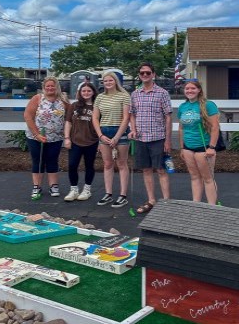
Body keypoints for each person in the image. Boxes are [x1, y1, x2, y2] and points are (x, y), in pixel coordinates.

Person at [129, 62, 172, 214]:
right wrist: (133, 130)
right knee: (146, 170)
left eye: (148, 72)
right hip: (141, 139)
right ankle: (152, 200)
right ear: (139, 76)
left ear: (154, 74)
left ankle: (166, 202)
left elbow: (168, 117)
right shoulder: (135, 94)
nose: (145, 75)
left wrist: (168, 140)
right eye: (142, 73)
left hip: (158, 138)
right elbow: (132, 114)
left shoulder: (162, 93)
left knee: (161, 170)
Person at [24, 77, 69, 200]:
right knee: (38, 161)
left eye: (52, 86)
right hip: (36, 137)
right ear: (44, 87)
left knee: (52, 160)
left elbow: (69, 117)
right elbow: (28, 116)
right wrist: (37, 134)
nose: (50, 88)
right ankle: (36, 186)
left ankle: (53, 186)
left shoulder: (63, 100)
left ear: (57, 87)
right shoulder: (38, 98)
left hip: (55, 137)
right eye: (47, 86)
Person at [177, 79, 220, 205]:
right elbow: (181, 128)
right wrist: (182, 148)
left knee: (208, 178)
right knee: (194, 177)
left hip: (204, 146)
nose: (189, 91)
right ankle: (196, 205)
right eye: (187, 89)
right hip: (188, 147)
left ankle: (211, 207)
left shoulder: (208, 105)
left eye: (193, 88)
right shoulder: (183, 107)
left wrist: (211, 147)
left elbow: (215, 127)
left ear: (199, 90)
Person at [92, 71, 131, 208]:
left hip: (120, 132)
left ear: (115, 81)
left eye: (110, 80)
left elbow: (126, 118)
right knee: (107, 164)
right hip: (104, 132)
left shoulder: (124, 96)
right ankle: (108, 193)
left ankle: (122, 195)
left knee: (121, 164)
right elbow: (95, 118)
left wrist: (117, 137)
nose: (108, 83)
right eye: (105, 81)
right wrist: (100, 135)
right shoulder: (100, 97)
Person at [63, 82, 99, 201]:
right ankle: (74, 190)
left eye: (89, 91)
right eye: (83, 91)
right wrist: (67, 138)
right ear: (80, 92)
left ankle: (87, 190)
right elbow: (68, 122)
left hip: (92, 141)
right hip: (75, 141)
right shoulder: (74, 106)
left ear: (93, 92)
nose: (86, 93)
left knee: (89, 166)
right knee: (72, 165)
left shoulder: (97, 106)